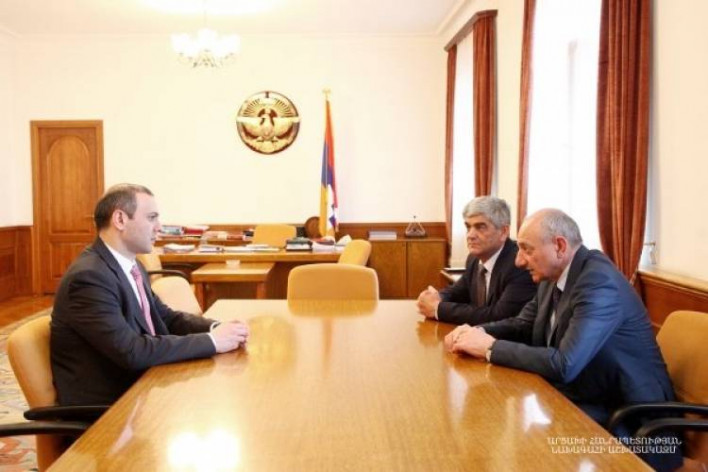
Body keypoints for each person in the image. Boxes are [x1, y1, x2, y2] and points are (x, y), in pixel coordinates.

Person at [444, 209, 679, 470]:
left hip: (628, 418)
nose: (519, 261)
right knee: (512, 433)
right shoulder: (551, 275)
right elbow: (522, 324)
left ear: (559, 246)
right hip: (586, 395)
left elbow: (565, 364)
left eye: (527, 249)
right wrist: (475, 332)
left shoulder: (598, 282)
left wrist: (489, 347)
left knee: (527, 448)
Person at [51, 184, 250, 406]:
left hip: (145, 385)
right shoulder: (89, 278)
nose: (159, 227)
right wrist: (213, 341)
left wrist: (216, 328)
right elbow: (131, 351)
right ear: (120, 219)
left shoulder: (132, 265)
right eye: (151, 218)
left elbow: (165, 318)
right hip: (111, 407)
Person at [416, 196, 535, 325]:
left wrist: (438, 309)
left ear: (503, 232)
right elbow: (458, 291)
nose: (470, 235)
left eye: (480, 227)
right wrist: (436, 297)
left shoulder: (519, 265)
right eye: (468, 227)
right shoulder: (473, 259)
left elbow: (498, 316)